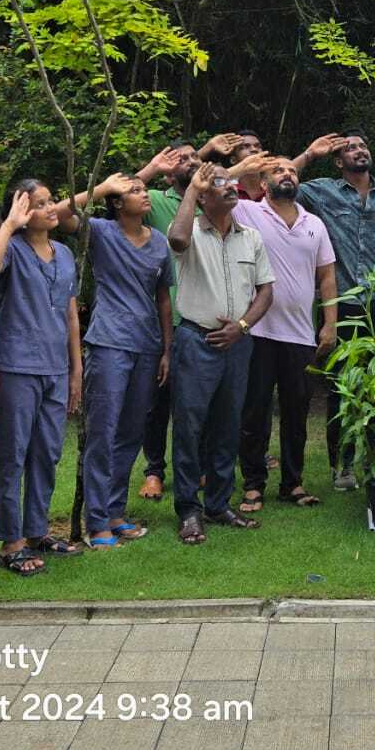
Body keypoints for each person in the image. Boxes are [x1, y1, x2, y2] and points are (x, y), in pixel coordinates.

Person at [56, 173, 173, 549]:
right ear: (118, 203)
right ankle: (96, 522)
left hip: (147, 345)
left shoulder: (158, 242)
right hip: (109, 343)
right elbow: (57, 214)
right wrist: (103, 187)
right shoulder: (102, 232)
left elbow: (163, 299)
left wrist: (167, 349)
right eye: (134, 192)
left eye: (143, 190)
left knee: (131, 432)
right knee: (103, 432)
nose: (144, 196)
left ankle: (116, 512)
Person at [0, 180, 83, 575]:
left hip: (56, 368)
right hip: (17, 367)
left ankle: (36, 531)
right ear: (21, 212)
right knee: (13, 455)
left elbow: (71, 314)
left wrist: (76, 370)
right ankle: (11, 542)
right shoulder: (12, 251)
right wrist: (9, 225)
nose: (51, 208)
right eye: (39, 204)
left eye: (50, 200)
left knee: (47, 453)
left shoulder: (65, 253)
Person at [167, 162, 275, 545]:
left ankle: (217, 504)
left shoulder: (251, 237)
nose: (231, 187)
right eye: (220, 184)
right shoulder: (190, 230)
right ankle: (188, 510)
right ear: (203, 195)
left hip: (237, 343)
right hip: (197, 340)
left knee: (229, 425)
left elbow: (265, 291)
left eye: (232, 183)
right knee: (190, 426)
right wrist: (192, 191)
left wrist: (242, 327)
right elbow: (176, 243)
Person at [292, 130, 375, 490]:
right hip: (341, 305)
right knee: (342, 388)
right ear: (339, 162)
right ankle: (342, 466)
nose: (359, 151)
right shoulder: (321, 191)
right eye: (350, 148)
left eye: (362, 145)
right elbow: (276, 184)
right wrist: (310, 153)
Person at [233, 157, 338, 511]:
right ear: (262, 183)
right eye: (278, 171)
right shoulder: (246, 212)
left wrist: (330, 322)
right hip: (258, 330)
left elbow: (326, 277)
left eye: (291, 171)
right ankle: (253, 484)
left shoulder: (315, 224)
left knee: (297, 412)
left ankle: (292, 483)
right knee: (255, 410)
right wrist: (241, 166)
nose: (287, 174)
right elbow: (210, 189)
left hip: (300, 334)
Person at [134, 140, 200, 501]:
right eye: (182, 158)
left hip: (201, 320)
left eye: (195, 157)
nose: (190, 162)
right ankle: (154, 471)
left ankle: (195, 467)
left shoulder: (211, 203)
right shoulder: (155, 202)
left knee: (194, 404)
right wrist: (153, 167)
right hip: (162, 319)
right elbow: (120, 192)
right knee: (156, 404)